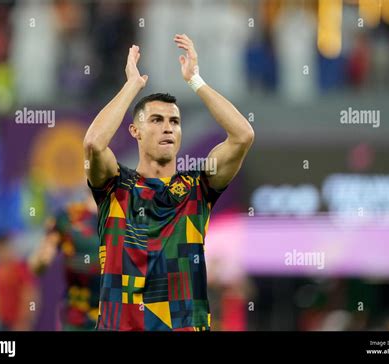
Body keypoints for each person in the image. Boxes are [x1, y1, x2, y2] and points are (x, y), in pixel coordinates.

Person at [83, 34, 254, 331]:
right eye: (157, 120)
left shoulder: (197, 189)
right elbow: (94, 144)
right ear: (135, 131)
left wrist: (196, 81)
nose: (168, 128)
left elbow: (243, 135)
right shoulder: (115, 187)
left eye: (174, 122)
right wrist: (131, 86)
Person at [29, 192, 101, 330]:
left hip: (117, 317)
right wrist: (41, 259)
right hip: (77, 319)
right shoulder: (67, 216)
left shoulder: (131, 214)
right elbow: (36, 264)